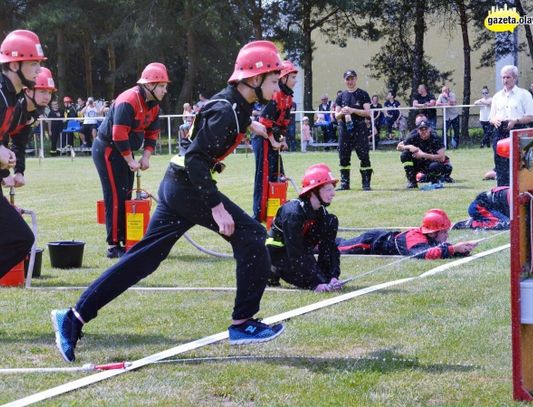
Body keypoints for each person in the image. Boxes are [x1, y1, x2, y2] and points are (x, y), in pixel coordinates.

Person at [51, 40, 286, 363]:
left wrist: (263, 131)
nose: (278, 87)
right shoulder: (229, 111)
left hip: (177, 185)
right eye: (274, 80)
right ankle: (243, 323)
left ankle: (73, 317)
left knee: (143, 260)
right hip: (188, 185)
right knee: (253, 236)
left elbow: (234, 123)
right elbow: (196, 160)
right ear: (254, 80)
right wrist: (216, 207)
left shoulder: (236, 106)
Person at [91, 63, 167, 259]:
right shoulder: (129, 100)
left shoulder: (154, 105)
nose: (165, 90)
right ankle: (114, 244)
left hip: (124, 152)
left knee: (126, 194)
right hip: (108, 149)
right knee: (115, 196)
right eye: (161, 86)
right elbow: (118, 134)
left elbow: (152, 133)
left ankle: (129, 239)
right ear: (149, 86)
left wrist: (146, 156)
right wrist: (129, 160)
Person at [0, 29, 45, 279]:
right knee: (20, 238)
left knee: (20, 239)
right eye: (34, 63)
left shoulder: (11, 98)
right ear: (15, 63)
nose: (39, 70)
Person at [266, 163, 342, 292]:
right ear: (314, 191)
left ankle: (324, 275)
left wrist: (332, 276)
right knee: (314, 281)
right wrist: (315, 282)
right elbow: (295, 252)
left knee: (331, 221)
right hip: (279, 254)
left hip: (300, 253)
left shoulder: (320, 212)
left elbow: (330, 247)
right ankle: (272, 269)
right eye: (329, 189)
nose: (333, 194)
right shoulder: (293, 213)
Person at [253, 60, 297, 222]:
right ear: (284, 78)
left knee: (278, 175)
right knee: (263, 176)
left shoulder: (289, 99)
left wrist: (282, 140)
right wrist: (272, 141)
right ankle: (258, 215)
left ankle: (275, 213)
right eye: (292, 77)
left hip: (274, 139)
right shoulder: (276, 95)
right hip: (263, 137)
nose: (295, 81)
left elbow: (284, 123)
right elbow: (264, 121)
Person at [337, 209, 478, 259]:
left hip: (380, 237)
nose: (447, 235)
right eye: (444, 231)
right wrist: (453, 248)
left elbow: (441, 251)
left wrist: (463, 249)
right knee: (339, 248)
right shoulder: (415, 239)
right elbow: (423, 254)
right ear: (434, 232)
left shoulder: (430, 238)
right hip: (370, 242)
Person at [4, 67, 56, 189]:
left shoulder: (33, 113)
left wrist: (19, 172)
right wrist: (4, 173)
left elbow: (19, 143)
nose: (47, 97)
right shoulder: (13, 108)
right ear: (27, 91)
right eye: (42, 91)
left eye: (49, 92)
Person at [489, 65, 533, 186]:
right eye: (503, 77)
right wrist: (494, 120)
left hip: (517, 130)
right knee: (500, 163)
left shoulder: (524, 94)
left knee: (517, 164)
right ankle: (502, 190)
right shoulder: (497, 96)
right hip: (499, 132)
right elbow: (491, 117)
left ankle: (518, 190)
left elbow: (531, 116)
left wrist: (516, 120)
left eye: (508, 77)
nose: (505, 80)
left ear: (515, 78)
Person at [334, 69, 372, 191]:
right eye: (347, 79)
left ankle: (366, 184)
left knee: (364, 155)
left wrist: (352, 110)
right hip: (345, 129)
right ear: (344, 80)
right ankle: (345, 184)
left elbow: (367, 113)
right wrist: (342, 112)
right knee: (343, 156)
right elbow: (336, 116)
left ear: (356, 79)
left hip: (359, 128)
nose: (350, 81)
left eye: (352, 78)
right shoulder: (341, 96)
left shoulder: (363, 94)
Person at [397, 117, 452, 189]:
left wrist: (423, 155)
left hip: (433, 163)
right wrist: (409, 146)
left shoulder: (435, 138)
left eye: (425, 129)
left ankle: (435, 180)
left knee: (435, 166)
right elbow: (398, 147)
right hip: (419, 163)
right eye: (421, 129)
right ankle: (412, 181)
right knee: (405, 155)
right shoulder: (413, 136)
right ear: (418, 130)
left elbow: (442, 158)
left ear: (429, 129)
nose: (424, 131)